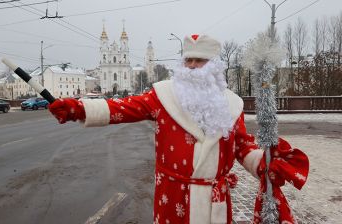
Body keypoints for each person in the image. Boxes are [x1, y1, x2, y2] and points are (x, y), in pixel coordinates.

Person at [49, 34, 309, 224]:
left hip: (214, 201)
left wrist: (262, 165)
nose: (194, 66)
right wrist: (77, 109)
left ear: (214, 66)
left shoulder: (231, 104)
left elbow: (241, 146)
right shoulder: (163, 96)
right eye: (189, 60)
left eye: (201, 60)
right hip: (174, 198)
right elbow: (123, 108)